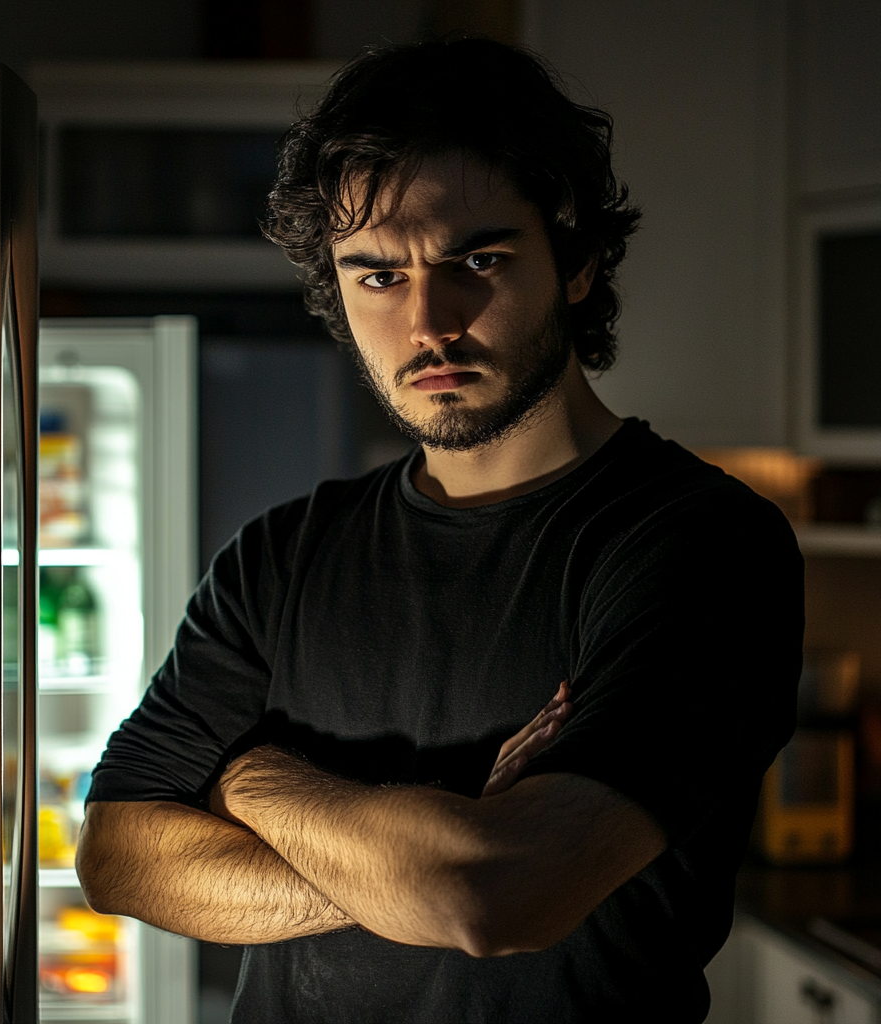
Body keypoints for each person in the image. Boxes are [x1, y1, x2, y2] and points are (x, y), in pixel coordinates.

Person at [76, 37, 803, 1022]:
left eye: (479, 260)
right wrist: (440, 824)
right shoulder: (281, 555)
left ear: (578, 260)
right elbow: (118, 855)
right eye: (377, 276)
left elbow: (495, 892)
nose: (428, 321)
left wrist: (247, 782)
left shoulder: (703, 547)